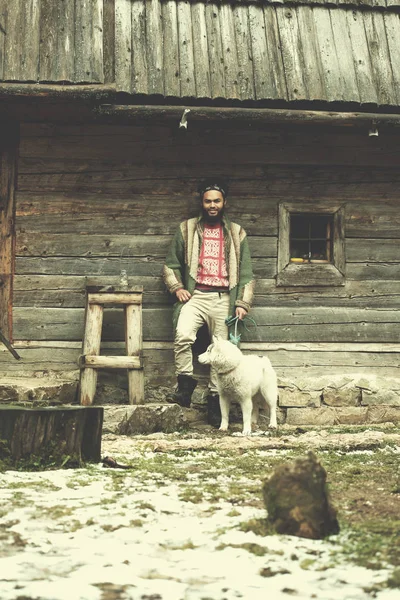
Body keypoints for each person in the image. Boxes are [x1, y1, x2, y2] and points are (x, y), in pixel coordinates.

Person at [162, 179, 255, 425]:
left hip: (224, 297)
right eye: (207, 201)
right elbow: (171, 264)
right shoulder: (187, 229)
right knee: (183, 335)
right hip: (196, 295)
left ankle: (214, 400)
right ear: (201, 203)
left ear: (224, 203)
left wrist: (242, 303)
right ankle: (185, 384)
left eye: (217, 201)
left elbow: (246, 273)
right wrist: (178, 287)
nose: (212, 205)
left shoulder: (236, 232)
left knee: (221, 350)